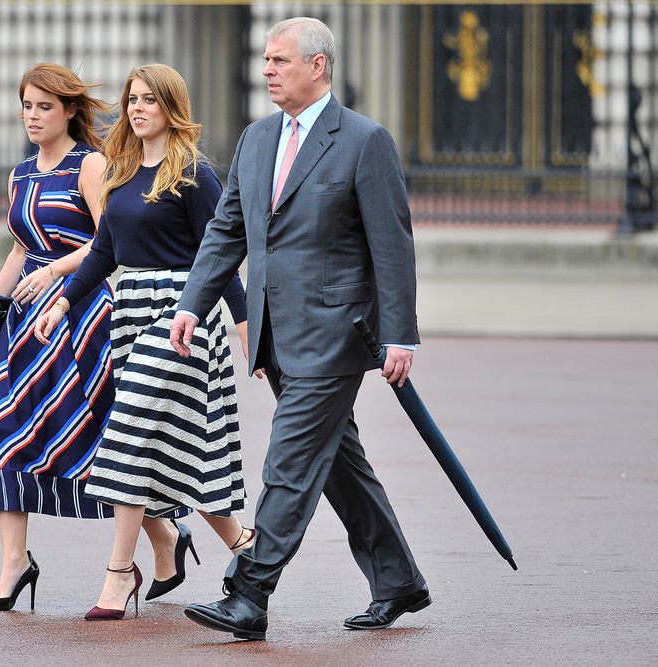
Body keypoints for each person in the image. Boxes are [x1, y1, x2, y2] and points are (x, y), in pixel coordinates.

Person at [170, 17, 430, 640]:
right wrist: (191, 303)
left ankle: (248, 592)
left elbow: (392, 246)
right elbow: (227, 230)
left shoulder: (365, 141)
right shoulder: (257, 139)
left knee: (288, 460)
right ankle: (396, 579)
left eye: (280, 60)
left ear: (318, 66)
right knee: (336, 459)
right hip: (274, 334)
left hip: (338, 334)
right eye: (265, 60)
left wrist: (401, 334)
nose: (267, 71)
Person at [35, 63, 258, 621]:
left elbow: (221, 256)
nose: (136, 109)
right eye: (132, 100)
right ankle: (244, 548)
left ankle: (117, 572)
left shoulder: (195, 176)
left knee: (128, 431)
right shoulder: (122, 173)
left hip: (184, 315)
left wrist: (248, 328)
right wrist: (62, 302)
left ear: (170, 108)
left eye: (148, 101)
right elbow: (105, 255)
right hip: (131, 313)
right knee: (172, 448)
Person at [0, 63, 117, 612]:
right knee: (2, 431)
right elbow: (17, 249)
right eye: (27, 106)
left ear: (70, 111)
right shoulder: (21, 173)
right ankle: (15, 563)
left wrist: (55, 274)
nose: (33, 116)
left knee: (98, 438)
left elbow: (110, 245)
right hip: (24, 326)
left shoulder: (91, 165)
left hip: (80, 316)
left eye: (44, 107)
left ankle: (164, 535)